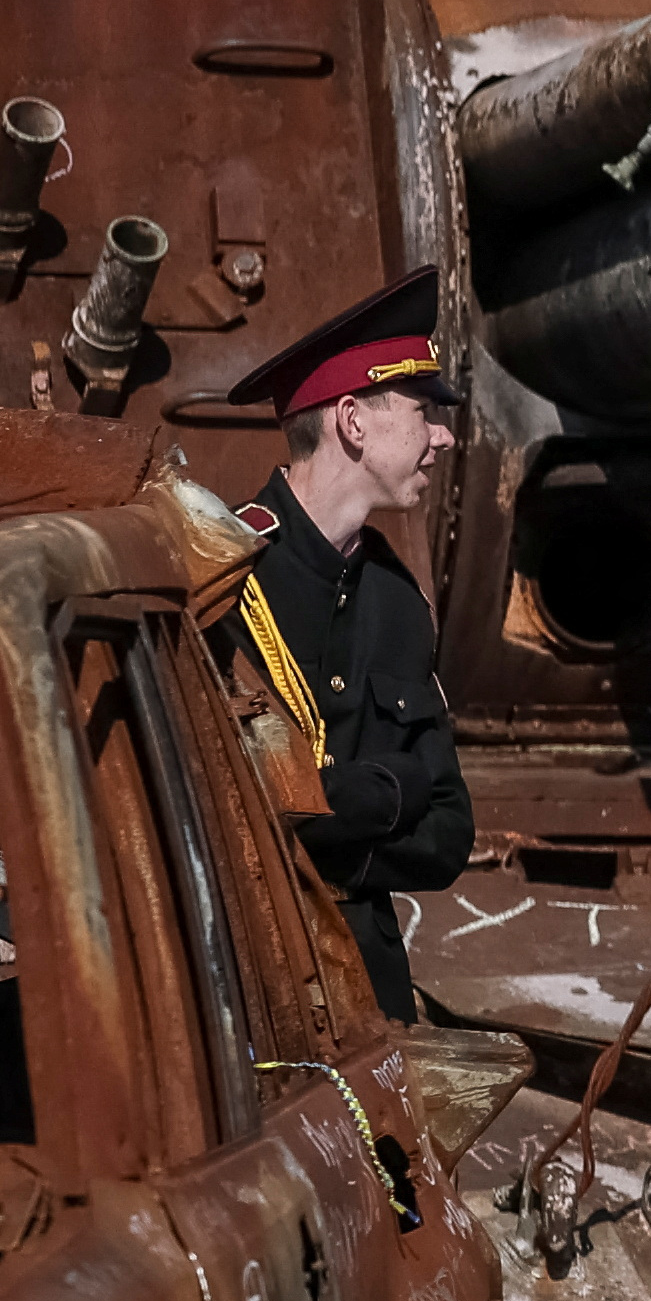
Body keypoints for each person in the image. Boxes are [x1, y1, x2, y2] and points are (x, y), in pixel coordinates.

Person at [215, 269, 471, 1021]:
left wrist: (322, 828)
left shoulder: (398, 603)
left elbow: (452, 831)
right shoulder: (214, 581)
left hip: (368, 999)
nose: (444, 435)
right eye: (425, 413)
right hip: (244, 997)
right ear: (353, 422)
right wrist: (386, 793)